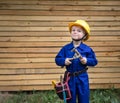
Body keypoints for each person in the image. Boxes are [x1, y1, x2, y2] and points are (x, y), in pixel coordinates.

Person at [55, 20, 98, 103]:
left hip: (82, 77)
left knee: (84, 98)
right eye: (73, 30)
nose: (75, 32)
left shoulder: (87, 49)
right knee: (70, 99)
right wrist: (64, 61)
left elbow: (95, 61)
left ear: (84, 35)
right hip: (69, 78)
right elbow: (57, 59)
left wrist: (86, 61)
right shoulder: (66, 48)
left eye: (79, 31)